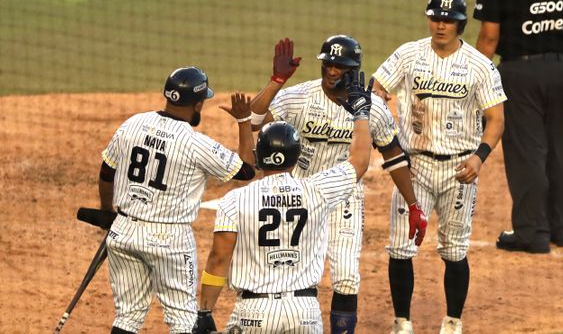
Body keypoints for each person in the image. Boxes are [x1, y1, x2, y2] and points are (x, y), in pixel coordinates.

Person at [248, 36, 425, 333]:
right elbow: (253, 119)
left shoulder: (371, 109)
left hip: (344, 200)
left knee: (345, 278)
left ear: (354, 68)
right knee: (293, 274)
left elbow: (394, 157)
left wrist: (413, 204)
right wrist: (276, 80)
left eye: (340, 66)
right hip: (298, 198)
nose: (332, 71)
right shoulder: (299, 97)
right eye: (328, 64)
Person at [196, 71, 374, 333]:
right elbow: (358, 162)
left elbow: (218, 258)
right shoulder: (317, 191)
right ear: (296, 156)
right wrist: (360, 114)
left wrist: (204, 312)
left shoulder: (235, 200)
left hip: (254, 314)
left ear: (259, 157)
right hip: (303, 314)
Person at [371, 0, 506, 334]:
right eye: (435, 18)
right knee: (401, 248)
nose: (440, 25)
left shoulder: (479, 65)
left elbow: (496, 118)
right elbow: (376, 88)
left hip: (460, 168)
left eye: (447, 20)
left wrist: (480, 157)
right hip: (413, 167)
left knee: (455, 248)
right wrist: (379, 112)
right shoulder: (409, 54)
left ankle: (453, 322)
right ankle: (402, 322)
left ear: (461, 24)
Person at [98, 66, 256, 334]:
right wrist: (244, 121)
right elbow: (246, 170)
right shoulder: (196, 143)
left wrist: (106, 213)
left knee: (127, 317)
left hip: (123, 231)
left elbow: (106, 171)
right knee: (183, 319)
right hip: (168, 240)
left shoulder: (132, 124)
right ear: (198, 103)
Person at [473, 0, 563, 253]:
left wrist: (473, 81)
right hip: (562, 72)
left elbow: (489, 36)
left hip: (520, 76)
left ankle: (531, 233)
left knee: (526, 154)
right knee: (559, 150)